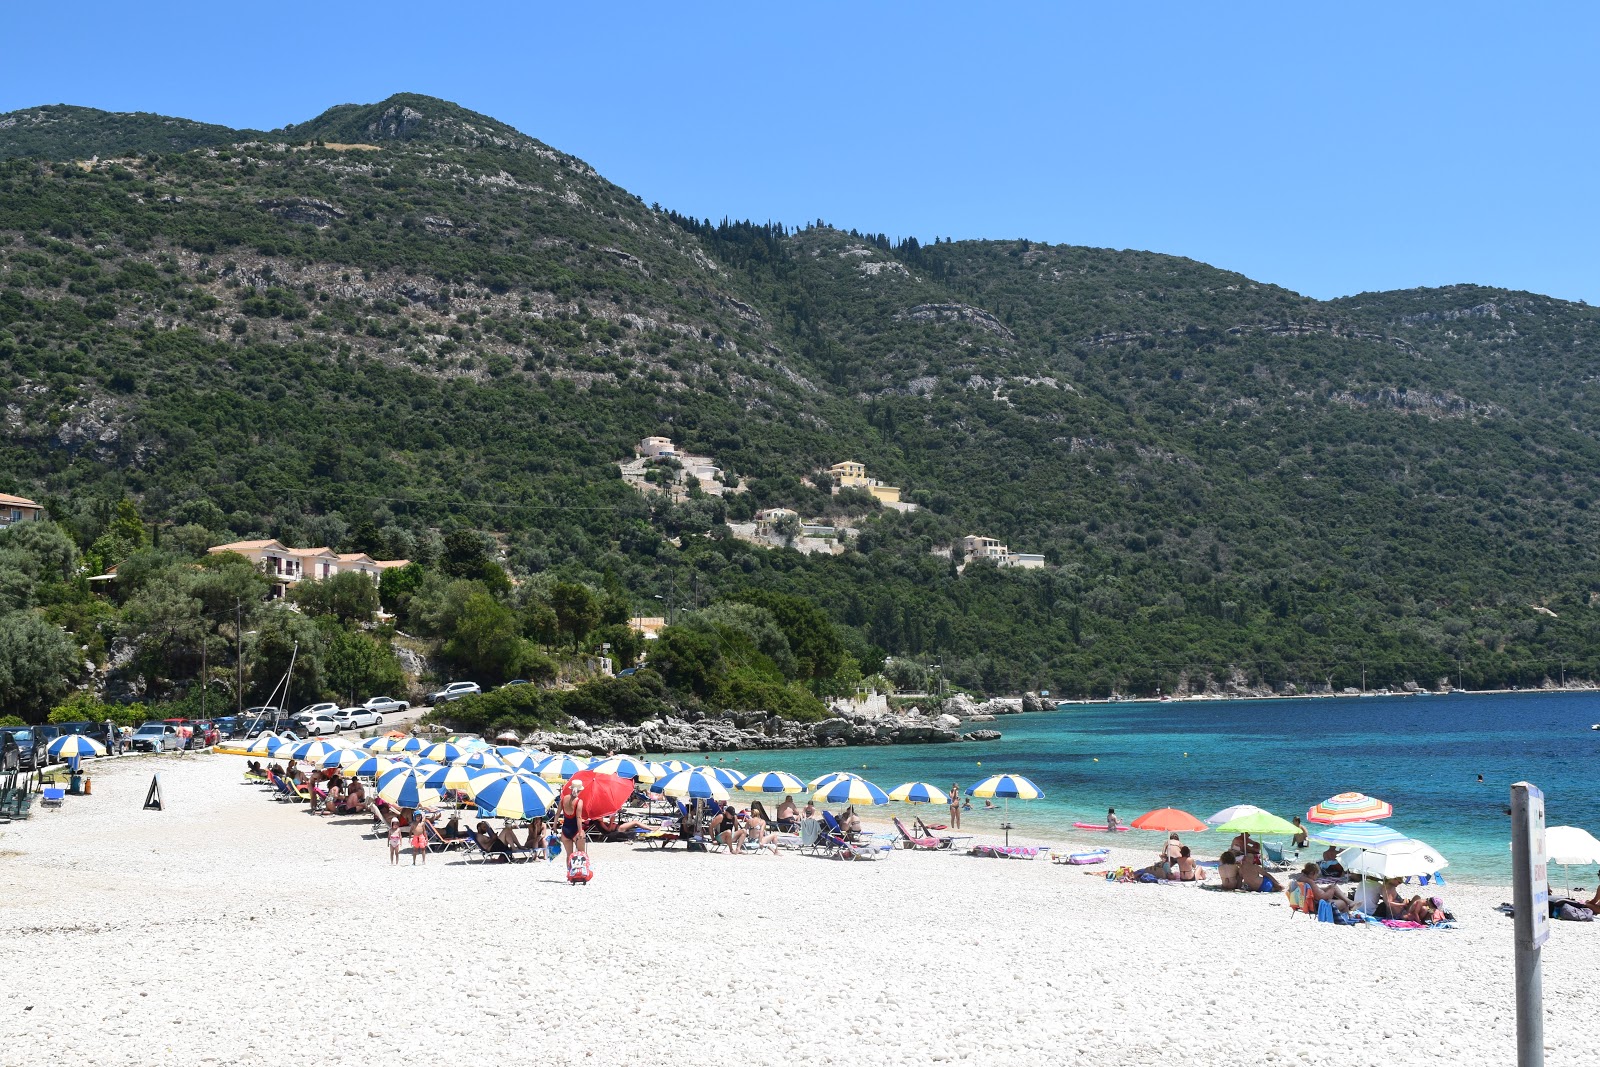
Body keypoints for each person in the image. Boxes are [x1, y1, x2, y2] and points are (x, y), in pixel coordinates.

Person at [560, 780, 587, 873]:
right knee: (582, 853)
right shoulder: (579, 801)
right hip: (575, 830)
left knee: (569, 854)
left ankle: (569, 873)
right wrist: (580, 832)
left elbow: (557, 814)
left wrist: (554, 826)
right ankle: (582, 872)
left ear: (571, 788)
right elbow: (578, 817)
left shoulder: (563, 799)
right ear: (580, 790)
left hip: (565, 830)